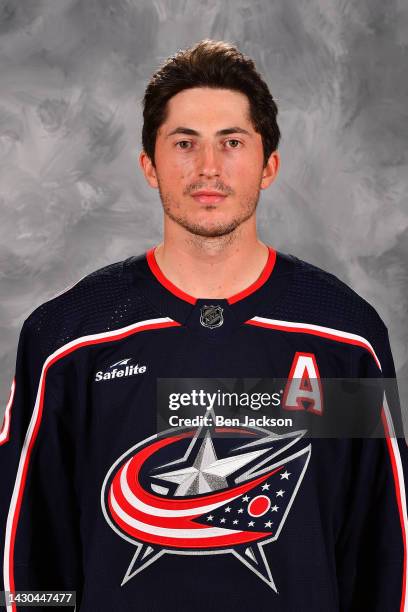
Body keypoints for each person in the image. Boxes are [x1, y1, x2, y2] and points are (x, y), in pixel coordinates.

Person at [1, 38, 407, 612]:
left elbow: (383, 551)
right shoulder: (69, 340)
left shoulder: (343, 339)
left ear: (269, 165)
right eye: (184, 143)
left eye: (232, 143)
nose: (208, 168)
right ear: (149, 165)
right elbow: (28, 558)